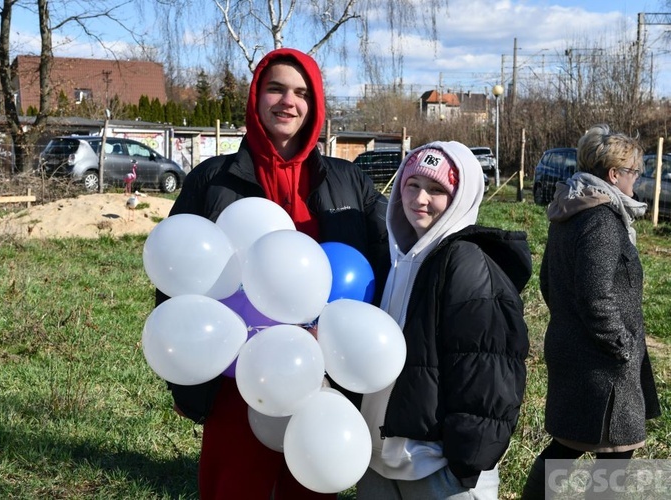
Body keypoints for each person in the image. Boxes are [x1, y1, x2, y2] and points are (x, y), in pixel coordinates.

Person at [155, 47, 390, 499]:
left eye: (302, 93)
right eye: (276, 88)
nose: (288, 101)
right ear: (256, 96)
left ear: (315, 104)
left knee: (310, 483)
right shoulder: (211, 180)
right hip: (236, 380)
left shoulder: (349, 180)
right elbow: (174, 281)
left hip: (322, 378)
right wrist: (184, 379)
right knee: (235, 487)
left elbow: (391, 255)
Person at [357, 142, 532, 499]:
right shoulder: (393, 258)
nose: (420, 199)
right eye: (412, 185)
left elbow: (488, 374)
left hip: (437, 470)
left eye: (437, 189)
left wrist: (463, 466)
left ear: (460, 197)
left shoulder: (468, 264)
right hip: (380, 461)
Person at [521, 124, 661, 499]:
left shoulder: (570, 211)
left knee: (568, 446)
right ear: (614, 175)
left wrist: (571, 326)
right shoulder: (600, 219)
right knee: (616, 452)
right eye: (634, 172)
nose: (638, 180)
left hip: (575, 350)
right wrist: (621, 345)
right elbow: (595, 294)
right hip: (601, 362)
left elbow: (548, 282)